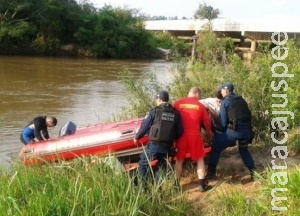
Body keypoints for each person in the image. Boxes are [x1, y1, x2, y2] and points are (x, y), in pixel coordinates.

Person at [206, 82, 255, 182]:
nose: (221, 92)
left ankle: (211, 173)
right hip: (247, 132)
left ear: (226, 90)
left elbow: (223, 123)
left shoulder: (225, 102)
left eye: (222, 90)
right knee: (244, 151)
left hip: (234, 132)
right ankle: (254, 173)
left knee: (216, 148)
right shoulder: (242, 100)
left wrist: (213, 125)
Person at [134, 90, 183, 186]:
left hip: (154, 145)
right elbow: (180, 131)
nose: (156, 101)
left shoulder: (154, 111)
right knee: (162, 167)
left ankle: (143, 187)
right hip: (167, 146)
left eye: (157, 99)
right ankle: (158, 188)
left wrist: (137, 137)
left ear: (160, 99)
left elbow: (145, 126)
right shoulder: (176, 113)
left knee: (143, 164)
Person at [173, 87, 213, 192]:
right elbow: (207, 123)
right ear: (196, 94)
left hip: (181, 136)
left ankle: (176, 185)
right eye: (199, 95)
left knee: (179, 160)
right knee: (200, 159)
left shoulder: (177, 103)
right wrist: (209, 131)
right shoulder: (200, 105)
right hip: (195, 135)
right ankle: (202, 185)